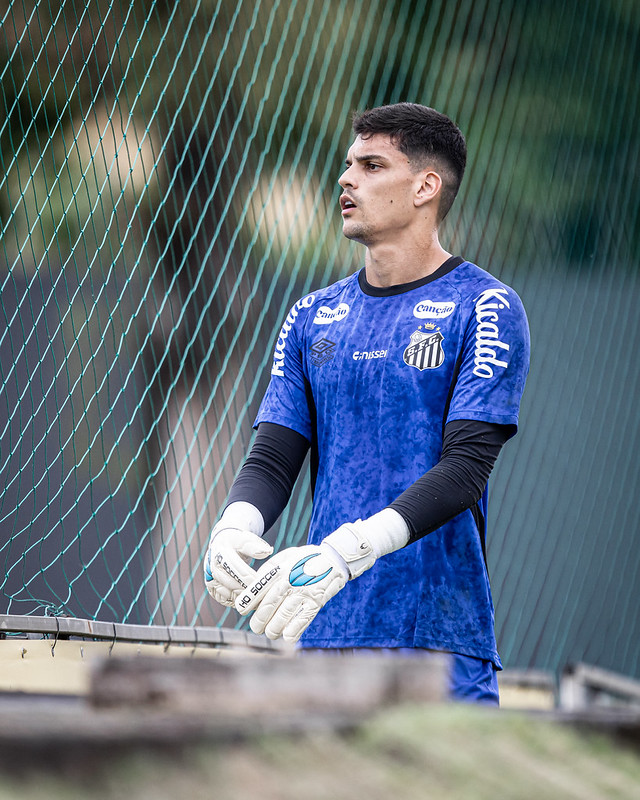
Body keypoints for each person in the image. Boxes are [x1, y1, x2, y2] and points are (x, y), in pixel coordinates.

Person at [204, 102, 530, 705]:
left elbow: (465, 469)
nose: (346, 179)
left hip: (436, 639)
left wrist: (348, 551)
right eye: (349, 164)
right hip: (322, 630)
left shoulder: (486, 305)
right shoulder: (311, 315)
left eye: (372, 166)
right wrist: (233, 526)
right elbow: (272, 460)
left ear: (425, 187)